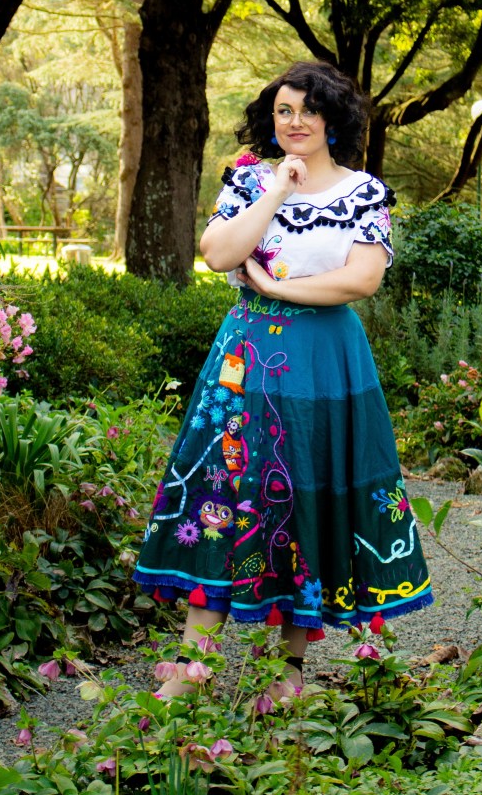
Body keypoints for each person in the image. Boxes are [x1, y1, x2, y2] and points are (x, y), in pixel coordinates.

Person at [133, 61, 432, 696]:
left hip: (325, 361)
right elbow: (218, 254)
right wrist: (275, 190)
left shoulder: (363, 192)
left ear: (333, 121)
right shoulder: (248, 180)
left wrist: (277, 287)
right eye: (284, 111)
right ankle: (191, 671)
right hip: (243, 364)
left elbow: (362, 279)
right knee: (223, 493)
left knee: (309, 496)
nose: (296, 122)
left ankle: (288, 675)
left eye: (309, 111)